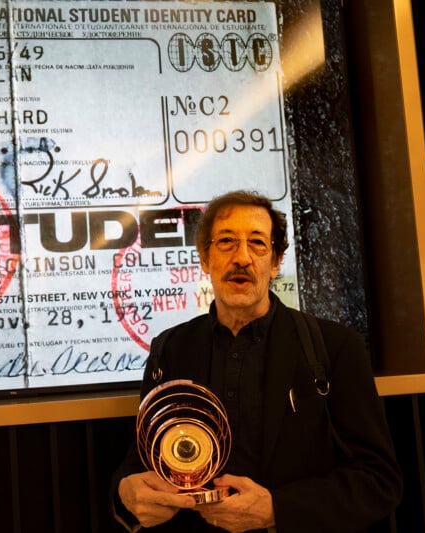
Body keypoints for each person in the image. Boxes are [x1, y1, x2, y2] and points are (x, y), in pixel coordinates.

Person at [111, 190, 402, 532]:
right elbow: (142, 457)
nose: (242, 258)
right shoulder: (169, 348)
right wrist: (125, 493)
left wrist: (277, 509)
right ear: (205, 259)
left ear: (276, 262)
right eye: (226, 242)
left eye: (258, 244)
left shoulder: (336, 348)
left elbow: (378, 480)